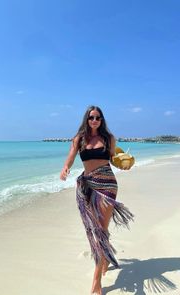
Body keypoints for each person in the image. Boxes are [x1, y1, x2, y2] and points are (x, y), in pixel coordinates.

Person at [60, 105, 134, 295]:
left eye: (98, 118)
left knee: (101, 229)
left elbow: (114, 158)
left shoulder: (108, 138)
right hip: (87, 185)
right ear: (86, 119)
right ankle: (106, 256)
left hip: (108, 186)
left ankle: (96, 282)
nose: (94, 121)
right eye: (91, 117)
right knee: (97, 229)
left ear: (102, 120)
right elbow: (70, 156)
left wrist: (124, 164)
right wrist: (65, 168)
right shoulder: (79, 139)